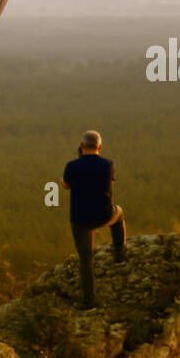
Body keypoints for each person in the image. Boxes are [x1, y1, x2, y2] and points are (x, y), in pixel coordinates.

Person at [62, 130, 127, 310]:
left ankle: (89, 302)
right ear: (100, 147)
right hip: (103, 215)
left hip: (80, 219)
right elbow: (109, 183)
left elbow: (66, 185)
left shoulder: (71, 166)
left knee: (85, 259)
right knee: (119, 213)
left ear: (81, 147)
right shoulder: (108, 164)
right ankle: (119, 255)